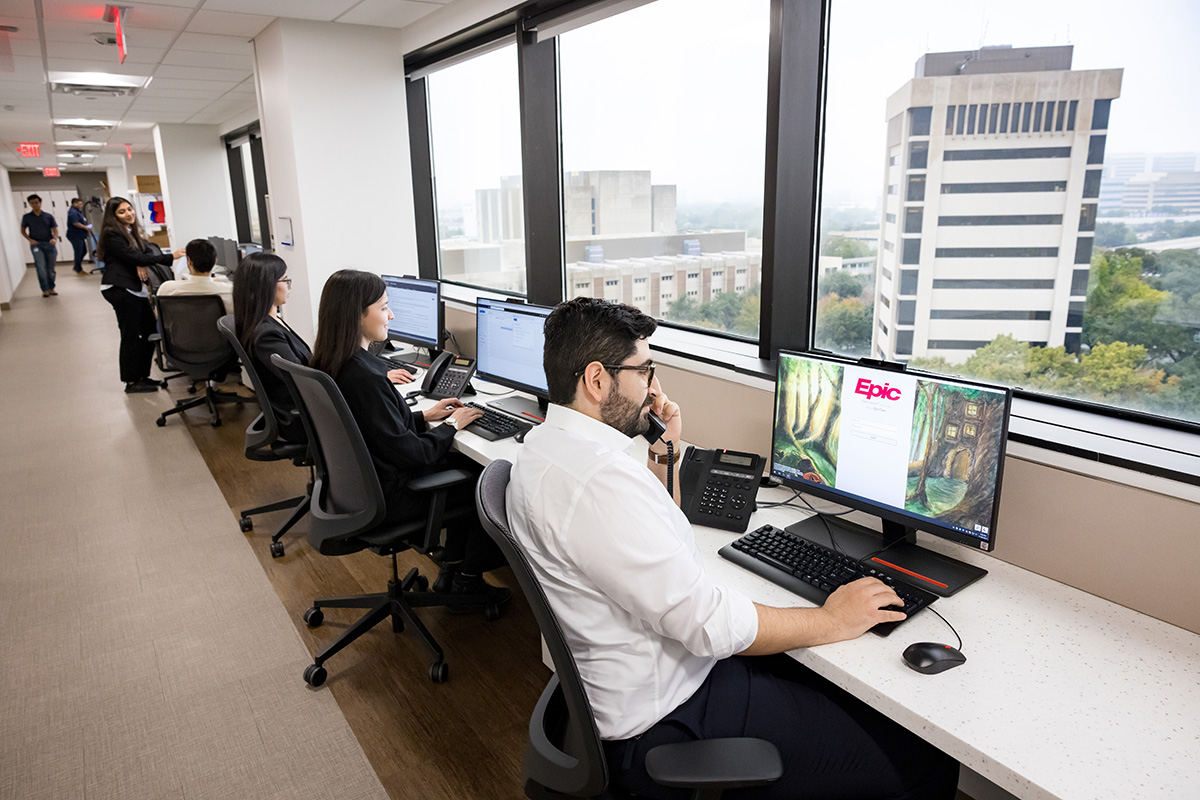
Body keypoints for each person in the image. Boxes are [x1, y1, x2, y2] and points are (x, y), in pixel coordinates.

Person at [506, 297, 959, 799]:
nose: (654, 388)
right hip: (667, 718)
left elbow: (656, 535)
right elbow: (708, 625)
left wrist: (665, 451)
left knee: (830, 694)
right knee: (923, 763)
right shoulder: (600, 482)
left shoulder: (547, 450)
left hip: (630, 686)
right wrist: (834, 619)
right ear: (596, 380)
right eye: (645, 370)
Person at [309, 269, 509, 604]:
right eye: (384, 307)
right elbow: (412, 454)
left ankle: (452, 572)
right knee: (484, 479)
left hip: (358, 487)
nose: (392, 314)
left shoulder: (334, 363)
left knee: (459, 462)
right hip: (389, 496)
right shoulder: (368, 378)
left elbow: (374, 429)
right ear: (357, 314)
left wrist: (424, 415)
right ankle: (465, 582)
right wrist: (452, 425)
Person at [97, 197, 186, 393]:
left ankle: (142, 376)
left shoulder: (130, 232)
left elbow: (143, 251)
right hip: (120, 288)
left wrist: (140, 262)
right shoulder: (112, 234)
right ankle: (131, 381)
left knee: (148, 330)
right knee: (130, 335)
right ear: (113, 216)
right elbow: (133, 256)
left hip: (133, 288)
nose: (128, 214)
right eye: (122, 212)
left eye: (130, 209)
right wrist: (170, 256)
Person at [233, 252, 312, 443]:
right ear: (266, 286)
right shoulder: (266, 334)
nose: (289, 286)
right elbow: (304, 381)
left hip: (300, 408)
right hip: (300, 418)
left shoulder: (268, 321)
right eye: (285, 280)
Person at [156, 239, 233, 315]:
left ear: (189, 261)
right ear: (215, 262)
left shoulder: (167, 288)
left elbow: (158, 314)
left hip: (181, 327)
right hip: (214, 328)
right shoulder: (229, 291)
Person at [20, 194, 59, 297]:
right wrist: (30, 240)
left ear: (40, 203)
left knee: (51, 269)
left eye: (36, 202)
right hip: (37, 245)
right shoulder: (27, 217)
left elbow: (55, 229)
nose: (35, 205)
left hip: (49, 244)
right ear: (30, 204)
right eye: (32, 203)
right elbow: (23, 230)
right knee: (41, 267)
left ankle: (52, 288)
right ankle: (45, 289)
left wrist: (54, 239)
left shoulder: (48, 216)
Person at [66, 197, 92, 276]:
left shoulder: (78, 211)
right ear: (74, 204)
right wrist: (85, 227)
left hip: (79, 235)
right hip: (75, 235)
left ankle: (76, 266)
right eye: (79, 204)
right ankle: (78, 269)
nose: (81, 205)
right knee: (78, 252)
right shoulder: (73, 212)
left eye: (81, 204)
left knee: (83, 251)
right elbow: (76, 223)